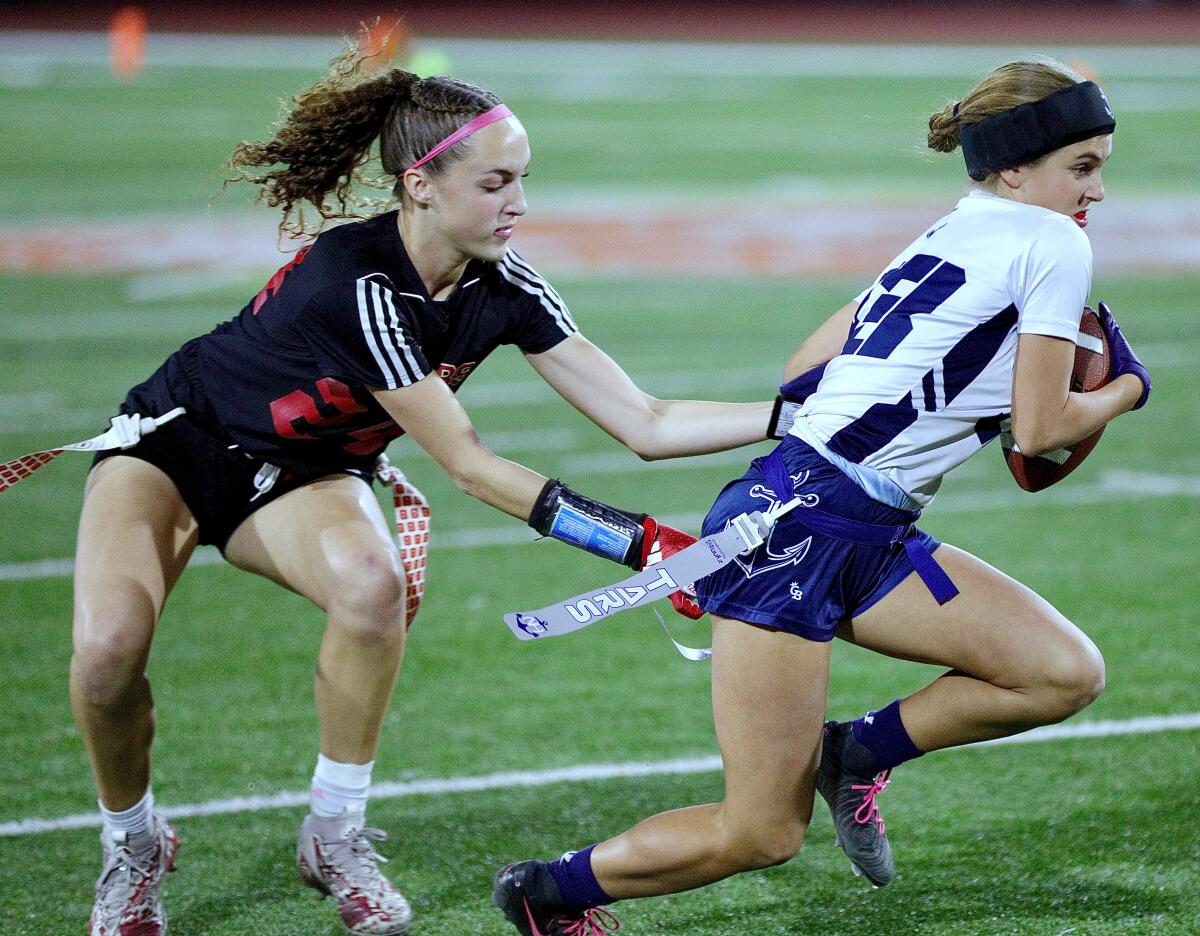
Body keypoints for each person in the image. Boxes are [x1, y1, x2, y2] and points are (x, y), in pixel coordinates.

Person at [72, 47, 775, 936]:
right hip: (179, 448)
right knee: (105, 652)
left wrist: (796, 411)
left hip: (300, 473)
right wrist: (645, 548)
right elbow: (473, 468)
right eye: (495, 183)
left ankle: (334, 833)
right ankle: (132, 842)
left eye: (524, 180)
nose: (518, 203)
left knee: (372, 591)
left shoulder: (506, 287)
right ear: (421, 186)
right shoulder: (357, 282)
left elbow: (647, 420)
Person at [492, 58, 1152, 935]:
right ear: (1016, 166)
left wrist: (934, 394)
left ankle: (855, 751)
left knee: (1060, 673)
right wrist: (1126, 388)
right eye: (1082, 167)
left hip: (849, 519)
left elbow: (805, 368)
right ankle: (547, 893)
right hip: (797, 533)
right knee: (761, 832)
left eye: (1101, 165)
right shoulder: (1056, 241)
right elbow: (1040, 432)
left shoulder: (957, 226)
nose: (1096, 190)